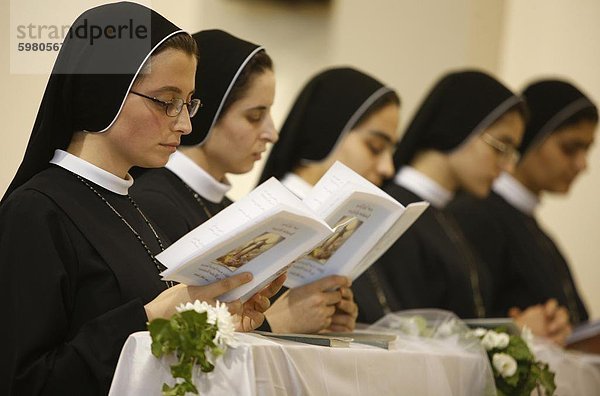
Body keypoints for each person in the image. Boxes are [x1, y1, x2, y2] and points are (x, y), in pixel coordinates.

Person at [0, 5, 279, 394]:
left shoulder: (139, 208)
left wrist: (220, 320)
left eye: (189, 102)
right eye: (167, 101)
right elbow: (23, 382)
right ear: (106, 93)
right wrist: (150, 317)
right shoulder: (36, 212)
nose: (185, 123)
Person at [132, 30, 354, 334]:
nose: (271, 133)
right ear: (208, 113)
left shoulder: (229, 206)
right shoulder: (153, 202)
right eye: (254, 116)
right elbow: (169, 336)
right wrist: (277, 324)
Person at [448, 79, 597, 344]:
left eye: (586, 150)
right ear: (531, 138)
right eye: (570, 148)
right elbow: (461, 319)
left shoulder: (534, 229)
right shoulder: (477, 215)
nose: (582, 164)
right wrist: (519, 328)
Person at [370, 70, 526, 324]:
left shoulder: (445, 212)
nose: (508, 166)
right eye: (501, 147)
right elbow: (409, 327)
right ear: (461, 126)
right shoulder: (398, 211)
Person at [258, 66, 400, 325]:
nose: (387, 168)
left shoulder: (355, 218)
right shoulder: (275, 216)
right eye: (375, 147)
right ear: (328, 133)